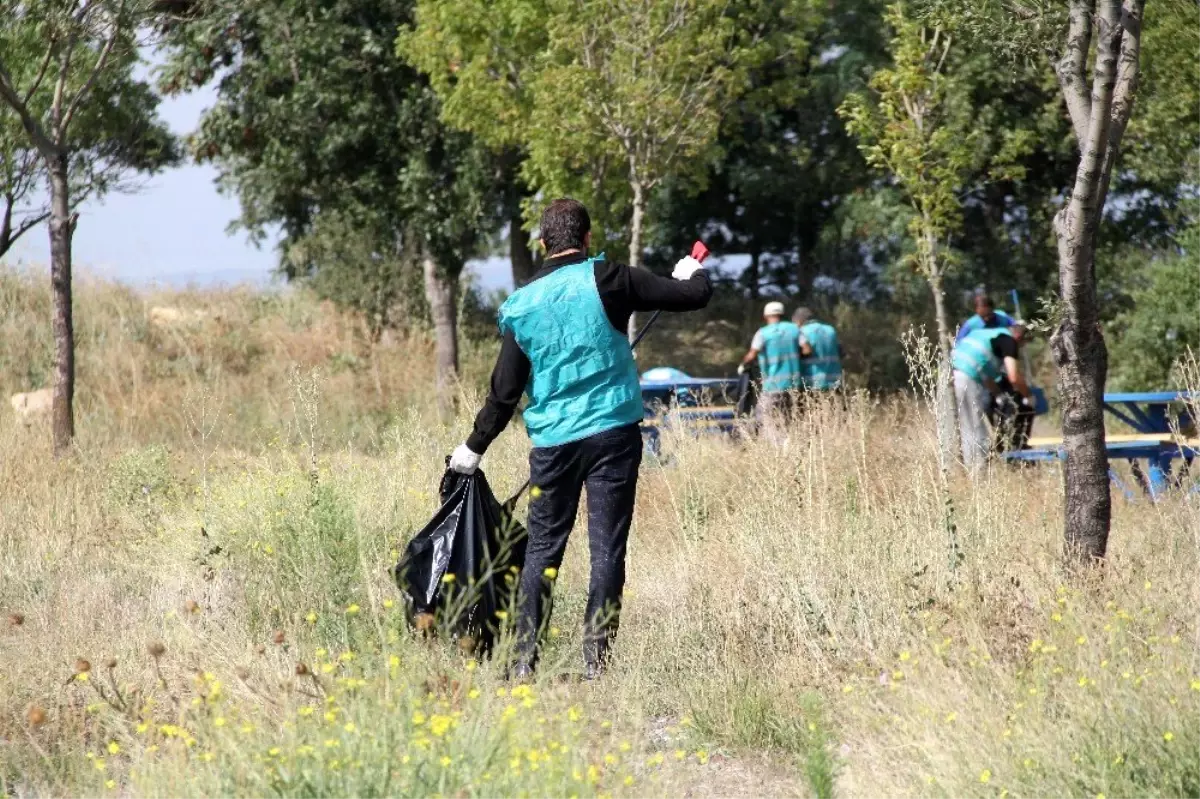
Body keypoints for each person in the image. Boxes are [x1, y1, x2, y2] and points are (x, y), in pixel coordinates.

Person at [448, 198, 712, 679]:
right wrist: (691, 270)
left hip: (554, 447)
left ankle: (525, 661)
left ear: (543, 244)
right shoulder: (610, 278)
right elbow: (691, 296)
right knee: (607, 550)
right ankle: (597, 664)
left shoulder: (522, 304)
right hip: (614, 436)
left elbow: (503, 394)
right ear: (587, 239)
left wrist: (473, 448)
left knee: (543, 551)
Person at [951, 324, 1032, 470]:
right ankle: (978, 475)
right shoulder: (1009, 341)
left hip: (949, 373)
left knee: (960, 427)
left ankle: (957, 470)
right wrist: (1029, 396)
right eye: (1022, 345)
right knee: (975, 428)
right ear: (1019, 337)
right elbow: (1014, 377)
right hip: (965, 377)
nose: (1019, 348)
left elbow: (986, 374)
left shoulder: (985, 334)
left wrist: (998, 394)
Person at [739, 301, 801, 441]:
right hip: (794, 384)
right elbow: (807, 349)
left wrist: (742, 365)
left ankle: (777, 447)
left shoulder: (763, 333)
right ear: (782, 314)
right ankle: (790, 442)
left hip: (773, 385)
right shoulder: (794, 329)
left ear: (766, 316)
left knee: (764, 416)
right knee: (788, 417)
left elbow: (752, 354)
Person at [792, 307, 843, 392]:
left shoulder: (801, 332)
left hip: (811, 381)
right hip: (834, 381)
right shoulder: (830, 329)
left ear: (799, 320)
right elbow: (841, 352)